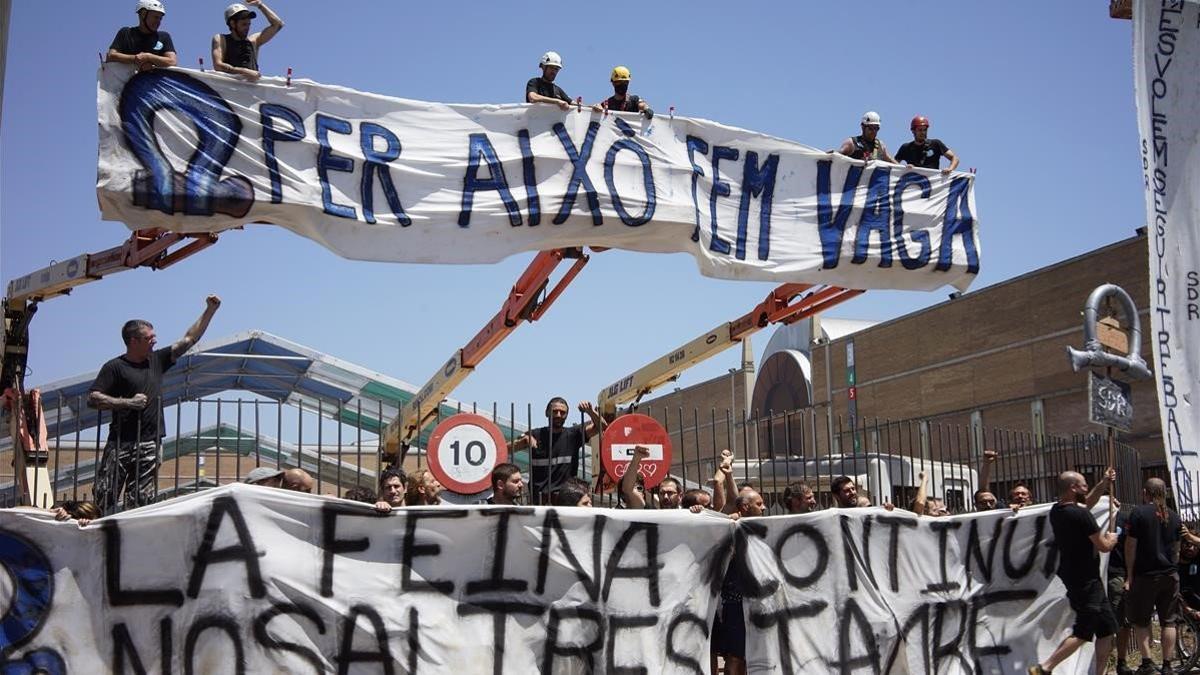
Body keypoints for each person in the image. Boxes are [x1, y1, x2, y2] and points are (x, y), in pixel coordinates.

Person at [88, 296, 221, 513]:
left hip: (149, 442)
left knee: (141, 500)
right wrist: (127, 402)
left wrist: (210, 310)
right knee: (105, 495)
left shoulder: (157, 361)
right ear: (133, 341)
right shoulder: (114, 367)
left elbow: (189, 339)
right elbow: (93, 398)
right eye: (149, 337)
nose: (155, 340)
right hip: (120, 442)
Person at [1029, 470, 1119, 675]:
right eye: (1083, 484)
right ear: (1073, 488)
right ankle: (1044, 668)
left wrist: (1103, 483)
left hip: (1078, 577)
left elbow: (1086, 504)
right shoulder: (1080, 515)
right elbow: (1104, 546)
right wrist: (1112, 538)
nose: (1086, 487)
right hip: (1086, 581)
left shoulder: (1057, 511)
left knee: (1106, 629)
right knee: (1084, 631)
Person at [1125, 478, 1182, 675]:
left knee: (1141, 620)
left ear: (1145, 492)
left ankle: (1147, 662)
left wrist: (1129, 574)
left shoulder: (1138, 513)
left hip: (1146, 575)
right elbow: (1176, 548)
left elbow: (1130, 546)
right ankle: (1167, 665)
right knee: (1169, 621)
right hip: (1169, 574)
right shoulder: (1174, 516)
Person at [508, 397, 604, 504]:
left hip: (565, 500)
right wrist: (521, 441)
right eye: (555, 411)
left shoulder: (573, 435)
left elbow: (602, 427)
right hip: (539, 500)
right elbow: (505, 449)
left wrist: (591, 412)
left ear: (566, 415)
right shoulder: (535, 435)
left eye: (562, 412)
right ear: (547, 413)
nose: (558, 415)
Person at [711, 490, 766, 675]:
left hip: (758, 602)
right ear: (745, 507)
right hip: (735, 603)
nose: (764, 507)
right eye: (759, 504)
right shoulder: (730, 527)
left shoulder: (764, 527)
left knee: (753, 654)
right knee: (736, 655)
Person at [211, 1, 285, 82]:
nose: (247, 28)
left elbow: (278, 24)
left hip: (252, 92)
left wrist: (259, 5)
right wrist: (244, 72)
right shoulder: (221, 39)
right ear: (232, 24)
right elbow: (217, 65)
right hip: (229, 90)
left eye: (249, 24)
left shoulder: (254, 41)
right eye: (244, 24)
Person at [107, 0, 177, 71]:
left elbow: (172, 61)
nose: (158, 22)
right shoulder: (125, 33)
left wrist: (148, 57)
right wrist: (136, 59)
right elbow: (111, 56)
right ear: (143, 14)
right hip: (126, 81)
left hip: (153, 81)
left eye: (160, 19)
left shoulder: (164, 36)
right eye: (156, 17)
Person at [895, 116, 959, 174]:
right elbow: (893, 164)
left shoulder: (936, 144)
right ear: (913, 131)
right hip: (912, 184)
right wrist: (904, 168)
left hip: (933, 185)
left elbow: (955, 158)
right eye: (920, 130)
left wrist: (950, 169)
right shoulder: (906, 148)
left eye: (925, 130)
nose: (923, 133)